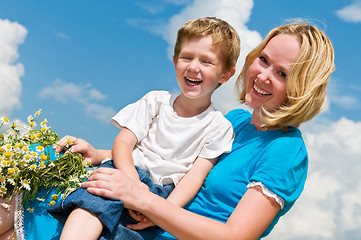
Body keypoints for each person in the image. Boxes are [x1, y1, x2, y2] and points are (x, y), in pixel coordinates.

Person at [0, 19, 335, 240]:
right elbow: (171, 162)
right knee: (32, 168)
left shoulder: (287, 151)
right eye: (263, 60)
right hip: (140, 214)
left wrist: (143, 200)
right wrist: (99, 154)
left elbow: (235, 236)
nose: (263, 76)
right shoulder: (234, 121)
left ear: (303, 87)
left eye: (283, 74)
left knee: (32, 210)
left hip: (153, 227)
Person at [47, 16, 239, 240]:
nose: (193, 67)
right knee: (92, 206)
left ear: (226, 74)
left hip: (160, 194)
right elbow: (123, 143)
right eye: (186, 57)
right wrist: (132, 182)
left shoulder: (219, 126)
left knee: (127, 234)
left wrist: (163, 209)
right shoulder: (156, 101)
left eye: (206, 61)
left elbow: (194, 177)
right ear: (175, 59)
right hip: (126, 172)